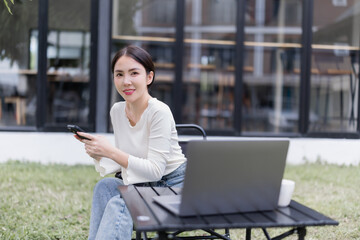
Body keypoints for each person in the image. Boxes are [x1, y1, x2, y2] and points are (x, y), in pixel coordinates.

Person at [74, 45, 187, 240]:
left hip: (175, 189)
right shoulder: (117, 111)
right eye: (119, 74)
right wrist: (100, 153)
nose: (126, 81)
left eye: (134, 73)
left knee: (123, 202)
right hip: (144, 185)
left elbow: (155, 170)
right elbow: (129, 159)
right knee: (104, 188)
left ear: (149, 77)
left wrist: (111, 151)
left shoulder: (159, 112)